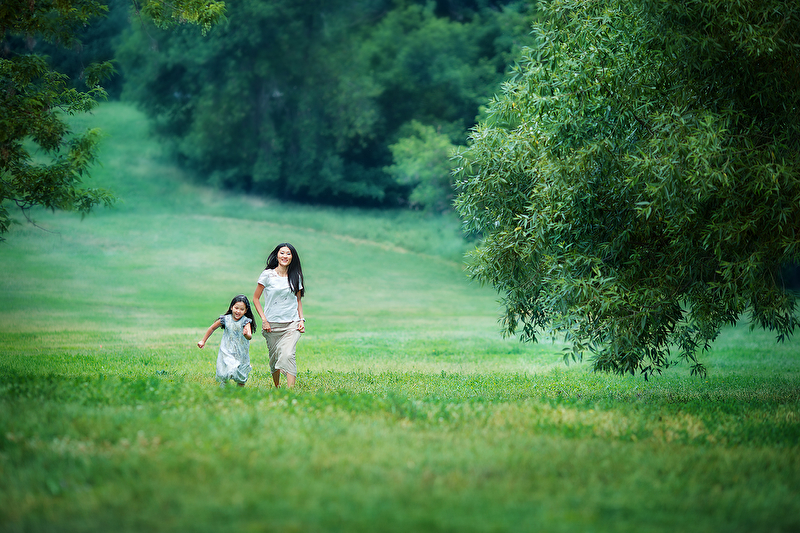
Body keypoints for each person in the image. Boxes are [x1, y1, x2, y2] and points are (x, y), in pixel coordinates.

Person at [253, 243, 305, 388]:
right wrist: (264, 320)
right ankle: (277, 387)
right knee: (274, 358)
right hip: (271, 324)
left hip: (292, 323)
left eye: (288, 253)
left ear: (292, 257)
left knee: (288, 354)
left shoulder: (296, 276)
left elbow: (298, 300)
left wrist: (301, 319)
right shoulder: (267, 275)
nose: (285, 256)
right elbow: (256, 298)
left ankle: (290, 391)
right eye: (282, 253)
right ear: (277, 255)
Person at [197, 294, 255, 387]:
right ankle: (223, 389)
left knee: (241, 375)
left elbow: (250, 336)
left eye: (242, 309)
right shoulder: (226, 319)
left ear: (246, 310)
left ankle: (239, 392)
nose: (238, 311)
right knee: (226, 371)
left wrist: (246, 334)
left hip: (241, 352)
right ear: (231, 307)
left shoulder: (246, 321)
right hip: (227, 350)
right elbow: (212, 328)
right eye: (236, 308)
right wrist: (203, 341)